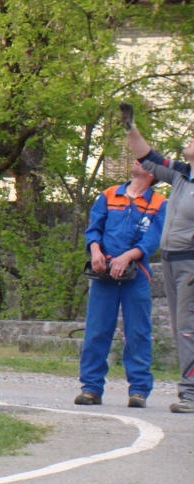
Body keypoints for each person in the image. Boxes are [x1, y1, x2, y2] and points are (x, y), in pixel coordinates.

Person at [120, 102, 194, 414]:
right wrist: (130, 128)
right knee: (181, 327)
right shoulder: (181, 174)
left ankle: (190, 393)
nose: (190, 139)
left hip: (191, 263)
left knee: (189, 327)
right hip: (172, 260)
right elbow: (147, 158)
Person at [75, 161, 166, 408]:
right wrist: (95, 252)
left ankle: (139, 390)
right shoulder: (108, 194)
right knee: (97, 330)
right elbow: (93, 229)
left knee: (138, 332)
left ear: (152, 172)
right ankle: (91, 388)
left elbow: (152, 241)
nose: (136, 160)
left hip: (136, 276)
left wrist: (126, 258)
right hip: (104, 273)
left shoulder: (160, 203)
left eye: (143, 160)